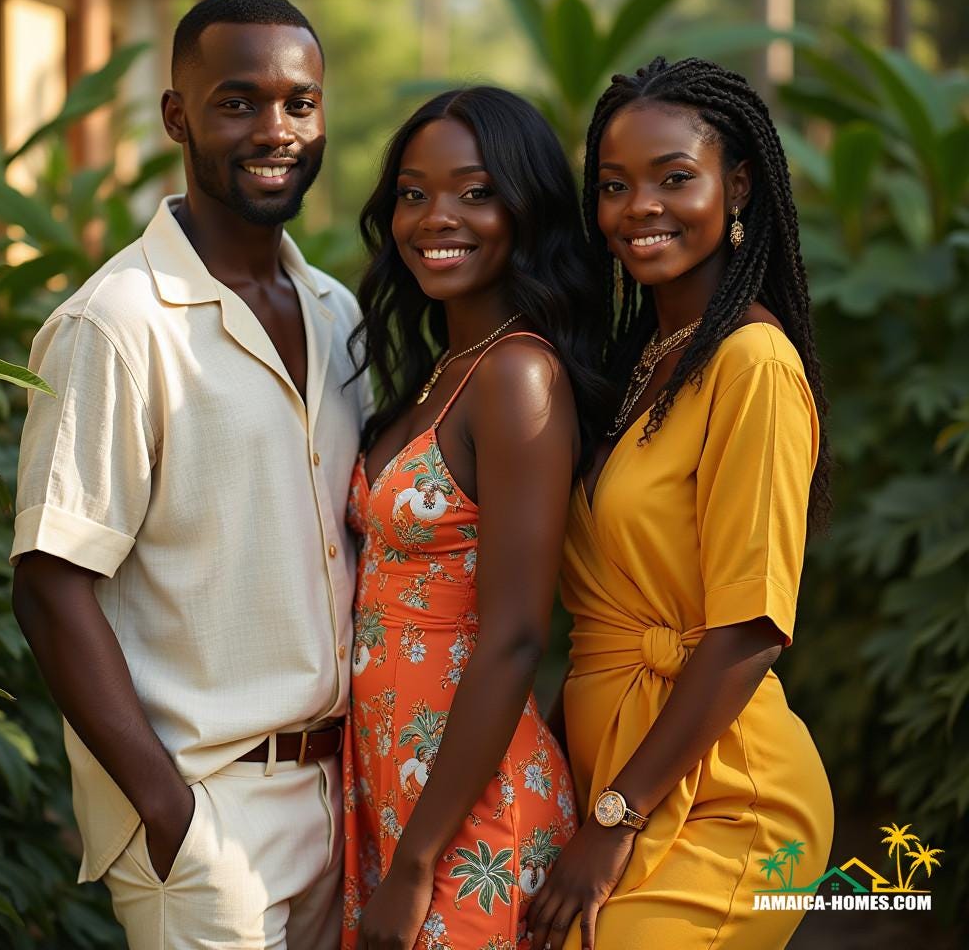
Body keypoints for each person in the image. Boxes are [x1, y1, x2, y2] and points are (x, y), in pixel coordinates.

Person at [10, 0, 371, 949]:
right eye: (238, 101)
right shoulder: (116, 324)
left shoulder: (339, 314)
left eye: (301, 102)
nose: (276, 129)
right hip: (207, 816)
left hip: (342, 801)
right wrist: (171, 817)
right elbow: (52, 587)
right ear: (178, 115)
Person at [526, 57, 834, 950]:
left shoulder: (753, 364)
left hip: (725, 799)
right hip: (617, 775)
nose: (639, 207)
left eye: (674, 178)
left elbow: (750, 627)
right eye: (615, 186)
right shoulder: (641, 363)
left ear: (736, 187)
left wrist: (613, 820)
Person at [340, 87, 607, 950]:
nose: (434, 218)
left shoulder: (518, 376)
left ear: (525, 208)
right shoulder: (440, 369)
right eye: (413, 194)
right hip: (391, 786)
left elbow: (518, 636)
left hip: (472, 812)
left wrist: (417, 863)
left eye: (475, 191)